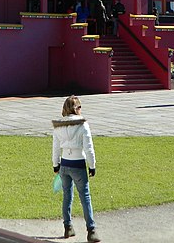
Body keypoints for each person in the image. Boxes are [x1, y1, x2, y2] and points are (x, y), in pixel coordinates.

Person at [52, 95, 100, 242]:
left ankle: (68, 227)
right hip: (78, 163)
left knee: (67, 196)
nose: (81, 110)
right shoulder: (82, 125)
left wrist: (56, 164)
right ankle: (91, 230)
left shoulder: (59, 126)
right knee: (85, 196)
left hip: (65, 164)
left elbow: (55, 148)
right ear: (75, 109)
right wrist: (92, 165)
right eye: (79, 107)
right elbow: (89, 148)